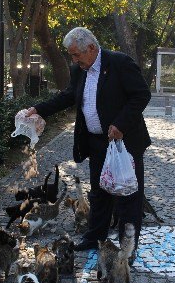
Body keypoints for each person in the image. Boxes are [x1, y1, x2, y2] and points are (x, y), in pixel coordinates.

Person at [24, 27, 151, 258]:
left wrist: (120, 124)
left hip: (125, 144)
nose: (73, 59)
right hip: (97, 143)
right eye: (71, 55)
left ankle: (127, 249)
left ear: (91, 48)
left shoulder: (119, 63)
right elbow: (68, 96)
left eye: (76, 54)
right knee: (99, 194)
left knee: (127, 198)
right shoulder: (79, 70)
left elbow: (141, 95)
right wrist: (39, 110)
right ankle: (95, 238)